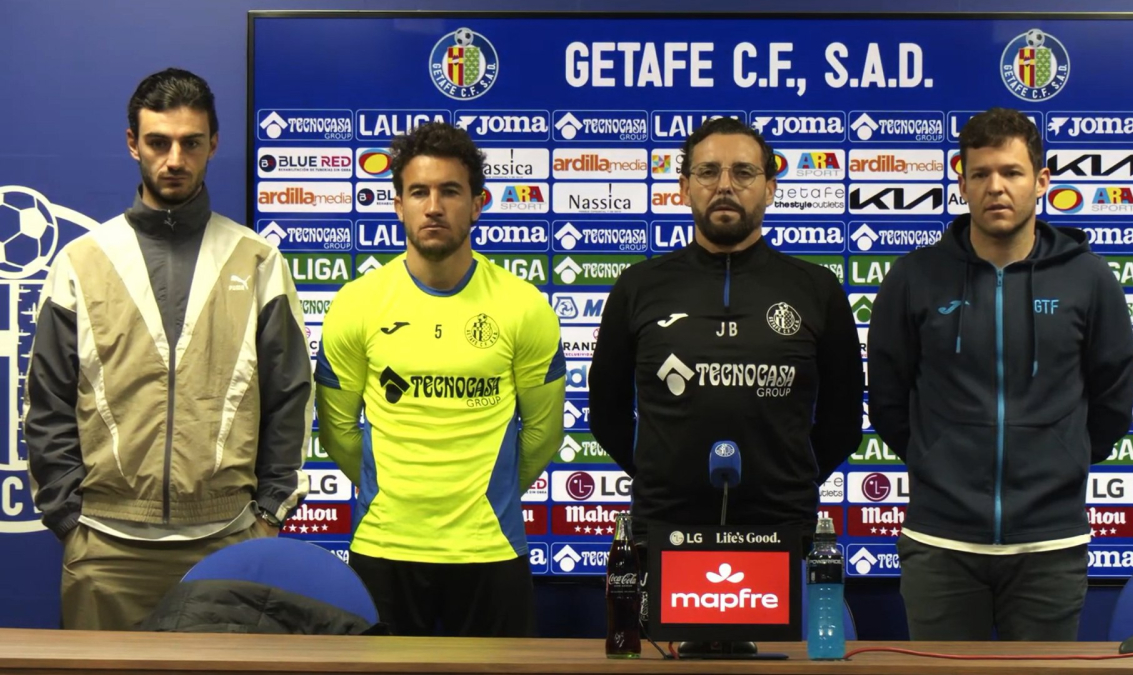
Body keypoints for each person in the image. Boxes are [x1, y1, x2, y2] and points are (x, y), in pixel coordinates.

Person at [23, 67, 313, 631]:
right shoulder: (82, 262)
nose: (174, 159)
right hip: (106, 552)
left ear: (213, 145)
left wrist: (267, 517)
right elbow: (47, 403)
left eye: (191, 143)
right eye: (158, 142)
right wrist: (68, 516)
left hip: (227, 544)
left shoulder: (257, 261)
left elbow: (289, 397)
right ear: (133, 143)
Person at [868, 107, 1133, 641]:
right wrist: (935, 455)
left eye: (1011, 173)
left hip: (1049, 546)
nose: (996, 187)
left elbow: (1112, 399)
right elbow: (889, 401)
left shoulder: (1088, 277)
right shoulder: (914, 276)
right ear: (961, 179)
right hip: (941, 543)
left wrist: (1063, 457)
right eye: (981, 173)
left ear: (1041, 181)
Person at [315, 122, 566, 637]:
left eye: (450, 191)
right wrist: (400, 495)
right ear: (398, 204)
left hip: (490, 551)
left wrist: (482, 498)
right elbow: (337, 431)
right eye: (419, 192)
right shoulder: (356, 305)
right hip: (384, 550)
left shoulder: (525, 307)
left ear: (477, 204)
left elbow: (544, 434)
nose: (434, 206)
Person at [588, 117, 863, 545]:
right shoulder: (638, 287)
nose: (725, 185)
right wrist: (664, 475)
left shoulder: (816, 288)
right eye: (708, 171)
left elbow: (843, 420)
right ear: (683, 188)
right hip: (665, 524)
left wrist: (785, 480)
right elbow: (606, 412)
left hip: (782, 523)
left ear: (770, 187)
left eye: (743, 172)